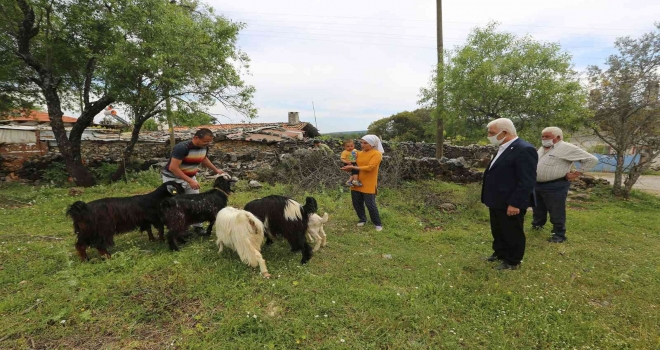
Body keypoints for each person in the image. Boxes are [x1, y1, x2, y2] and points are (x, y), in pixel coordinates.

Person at [481, 118, 538, 270]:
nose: (489, 135)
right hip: (497, 199)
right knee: (498, 229)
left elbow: (527, 181)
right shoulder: (503, 147)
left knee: (512, 231)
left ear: (504, 132)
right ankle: (499, 253)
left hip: (511, 200)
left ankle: (513, 261)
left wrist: (515, 203)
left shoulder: (524, 149)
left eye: (492, 132)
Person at [533, 127, 598, 243]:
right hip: (538, 184)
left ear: (558, 137)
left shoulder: (566, 148)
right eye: (542, 136)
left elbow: (591, 159)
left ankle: (558, 234)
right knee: (538, 207)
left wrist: (576, 173)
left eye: (547, 137)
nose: (544, 139)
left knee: (556, 210)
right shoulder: (543, 148)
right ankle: (537, 225)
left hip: (556, 184)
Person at [161, 128, 228, 234]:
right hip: (173, 179)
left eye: (209, 141)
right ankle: (179, 228)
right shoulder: (182, 148)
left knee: (197, 203)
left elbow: (204, 159)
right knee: (177, 204)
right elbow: (173, 168)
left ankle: (197, 226)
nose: (207, 143)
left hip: (190, 177)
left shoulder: (204, 147)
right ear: (196, 138)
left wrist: (216, 170)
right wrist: (190, 181)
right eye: (205, 141)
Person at [341, 135, 384, 231]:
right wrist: (347, 168)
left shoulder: (377, 154)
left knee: (370, 204)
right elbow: (352, 164)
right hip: (356, 182)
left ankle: (377, 223)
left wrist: (353, 168)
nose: (362, 145)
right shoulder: (357, 153)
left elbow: (370, 167)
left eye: (365, 143)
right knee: (357, 203)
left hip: (369, 183)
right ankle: (362, 219)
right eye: (361, 142)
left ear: (372, 144)